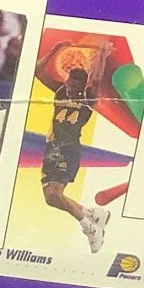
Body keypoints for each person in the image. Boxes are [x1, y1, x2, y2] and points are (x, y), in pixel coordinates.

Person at [41, 67, 109, 253]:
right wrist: (54, 51)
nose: (69, 89)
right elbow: (40, 71)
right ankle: (93, 213)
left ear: (82, 86)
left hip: (69, 149)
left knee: (55, 193)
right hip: (52, 148)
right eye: (69, 84)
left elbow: (96, 79)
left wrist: (101, 57)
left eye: (74, 86)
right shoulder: (60, 93)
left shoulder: (88, 99)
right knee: (50, 199)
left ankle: (90, 228)